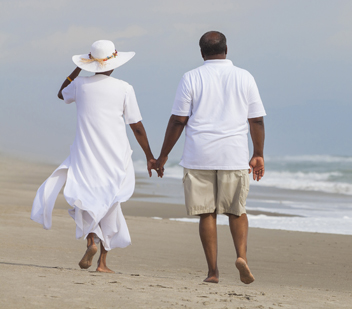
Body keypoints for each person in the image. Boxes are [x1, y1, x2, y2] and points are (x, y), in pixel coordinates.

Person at [31, 40, 157, 273]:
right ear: (114, 62)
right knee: (110, 201)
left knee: (86, 199)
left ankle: (91, 242)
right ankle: (103, 264)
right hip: (115, 155)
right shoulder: (124, 88)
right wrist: (150, 156)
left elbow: (61, 93)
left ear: (91, 62)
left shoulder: (79, 85)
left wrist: (80, 67)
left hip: (85, 153)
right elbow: (136, 126)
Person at [156, 31, 266, 284]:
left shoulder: (191, 77)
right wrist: (258, 154)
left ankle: (213, 272)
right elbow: (256, 119)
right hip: (234, 153)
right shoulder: (244, 77)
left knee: (207, 213)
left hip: (199, 154)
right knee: (236, 211)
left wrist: (162, 156)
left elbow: (178, 121)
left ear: (202, 52)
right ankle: (241, 258)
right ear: (226, 50)